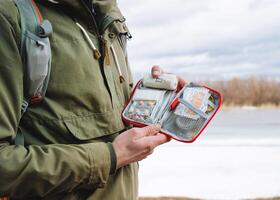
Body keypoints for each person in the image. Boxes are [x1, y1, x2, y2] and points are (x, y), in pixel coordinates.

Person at [0, 0, 185, 199]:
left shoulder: (109, 14)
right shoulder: (10, 16)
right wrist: (111, 156)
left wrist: (153, 99)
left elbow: (102, 119)